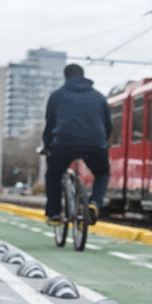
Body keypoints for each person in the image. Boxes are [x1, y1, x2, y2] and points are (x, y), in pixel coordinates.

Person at [43, 63, 112, 226]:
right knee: (102, 173)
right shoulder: (100, 97)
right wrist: (103, 144)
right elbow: (108, 126)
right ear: (83, 75)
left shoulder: (56, 96)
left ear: (65, 77)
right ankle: (94, 203)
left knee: (53, 175)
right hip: (95, 145)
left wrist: (47, 146)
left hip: (63, 144)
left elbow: (50, 126)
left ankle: (53, 214)